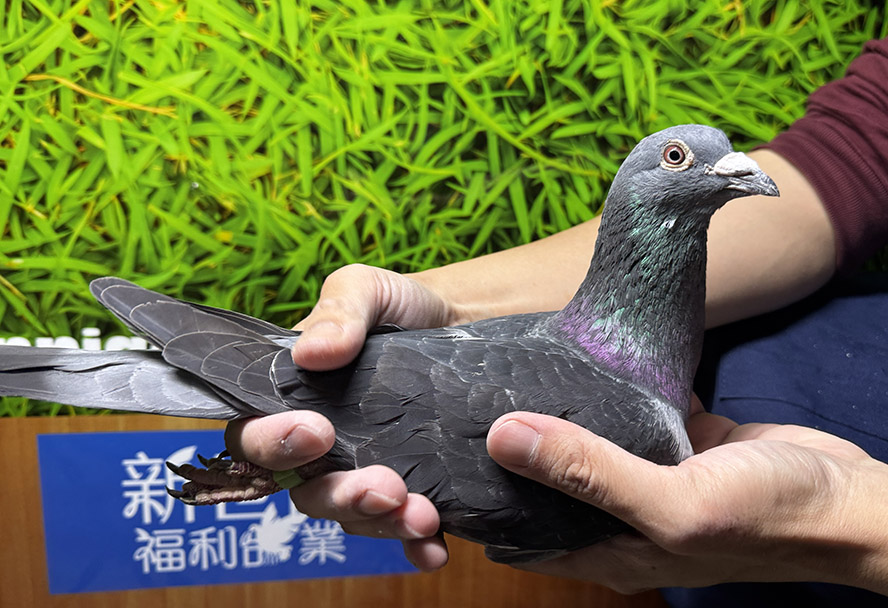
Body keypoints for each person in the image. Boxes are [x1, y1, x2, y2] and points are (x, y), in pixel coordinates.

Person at [224, 38, 888, 603]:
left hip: (757, 483)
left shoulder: (638, 426)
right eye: (680, 159)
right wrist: (442, 305)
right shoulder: (632, 419)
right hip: (736, 464)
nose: (735, 163)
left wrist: (850, 522)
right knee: (310, 437)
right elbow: (853, 155)